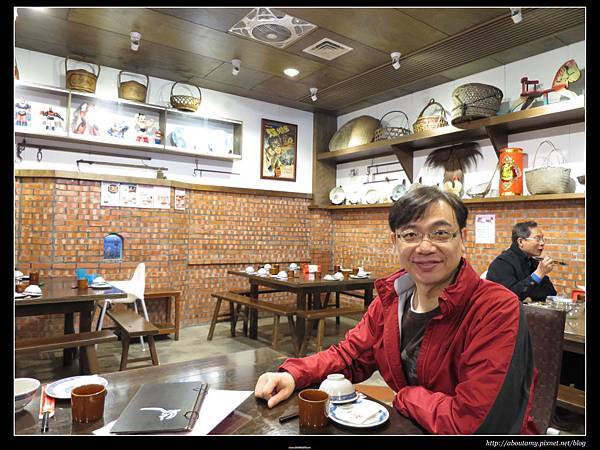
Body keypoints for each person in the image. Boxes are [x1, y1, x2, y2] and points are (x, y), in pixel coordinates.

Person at [254, 186, 538, 434]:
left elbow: (474, 423)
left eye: (440, 233)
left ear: (462, 239)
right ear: (395, 242)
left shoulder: (495, 308)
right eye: (410, 234)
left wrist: (404, 397)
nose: (425, 247)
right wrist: (293, 375)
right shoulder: (393, 299)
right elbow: (350, 355)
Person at [486, 221, 557, 302]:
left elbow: (551, 293)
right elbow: (509, 297)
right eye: (537, 239)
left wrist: (529, 297)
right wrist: (539, 274)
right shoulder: (502, 263)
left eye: (543, 239)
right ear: (520, 242)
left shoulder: (532, 262)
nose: (542, 243)